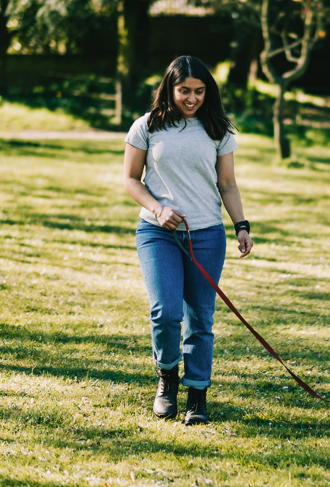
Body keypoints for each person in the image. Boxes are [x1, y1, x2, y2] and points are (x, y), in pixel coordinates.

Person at [123, 55, 253, 425]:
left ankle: (198, 394)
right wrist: (157, 209)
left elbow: (227, 183)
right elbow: (131, 179)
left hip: (207, 234)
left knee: (200, 319)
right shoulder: (146, 126)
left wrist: (241, 224)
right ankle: (167, 379)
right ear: (170, 88)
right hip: (157, 233)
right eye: (184, 91)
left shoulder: (218, 130)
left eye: (199, 91)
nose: (192, 98)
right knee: (166, 313)